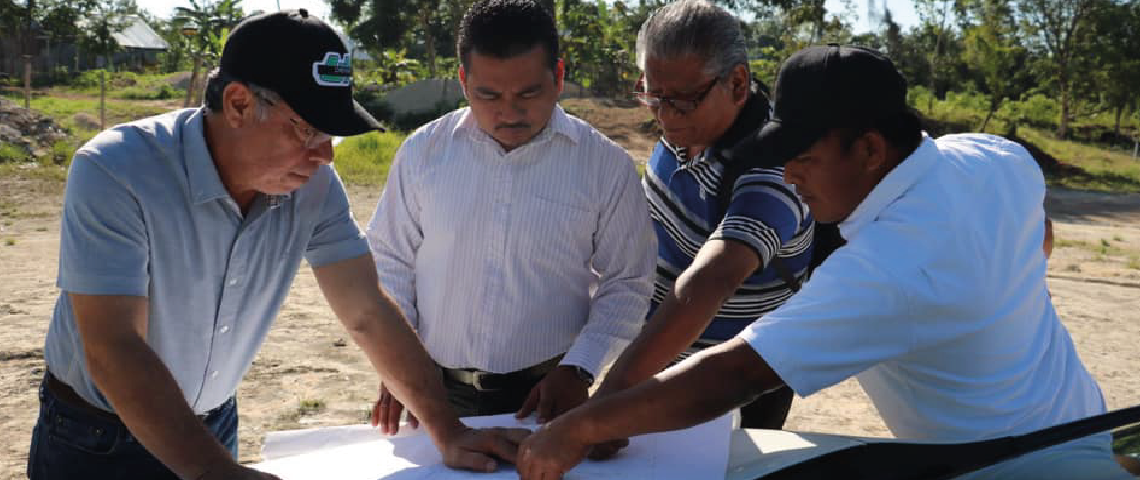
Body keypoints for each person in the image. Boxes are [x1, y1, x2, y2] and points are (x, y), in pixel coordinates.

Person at [516, 45, 1131, 480]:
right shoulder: (990, 157)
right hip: (1086, 427)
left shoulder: (891, 267)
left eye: (803, 157)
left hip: (1013, 467)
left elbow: (732, 377)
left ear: (869, 149)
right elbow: (1041, 235)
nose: (789, 175)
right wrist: (996, 287)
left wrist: (575, 431)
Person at [27, 10, 527, 480]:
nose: (325, 155)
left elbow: (367, 310)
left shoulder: (312, 187)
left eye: (333, 135)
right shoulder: (118, 170)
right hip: (95, 438)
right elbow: (113, 346)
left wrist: (447, 429)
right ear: (239, 104)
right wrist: (215, 471)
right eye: (307, 130)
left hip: (211, 425)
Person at [365, 0, 655, 434]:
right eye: (489, 95)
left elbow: (629, 281)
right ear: (464, 81)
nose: (509, 112)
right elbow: (389, 261)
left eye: (528, 93)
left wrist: (580, 369)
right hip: (433, 391)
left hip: (551, 395)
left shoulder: (604, 166)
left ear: (557, 77)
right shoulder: (422, 154)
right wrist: (399, 363)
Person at [591, 0, 812, 431]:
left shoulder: (776, 167)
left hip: (735, 381)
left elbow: (712, 279)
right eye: (654, 96)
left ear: (737, 83)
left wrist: (606, 403)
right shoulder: (682, 129)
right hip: (659, 354)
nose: (666, 115)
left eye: (684, 101)